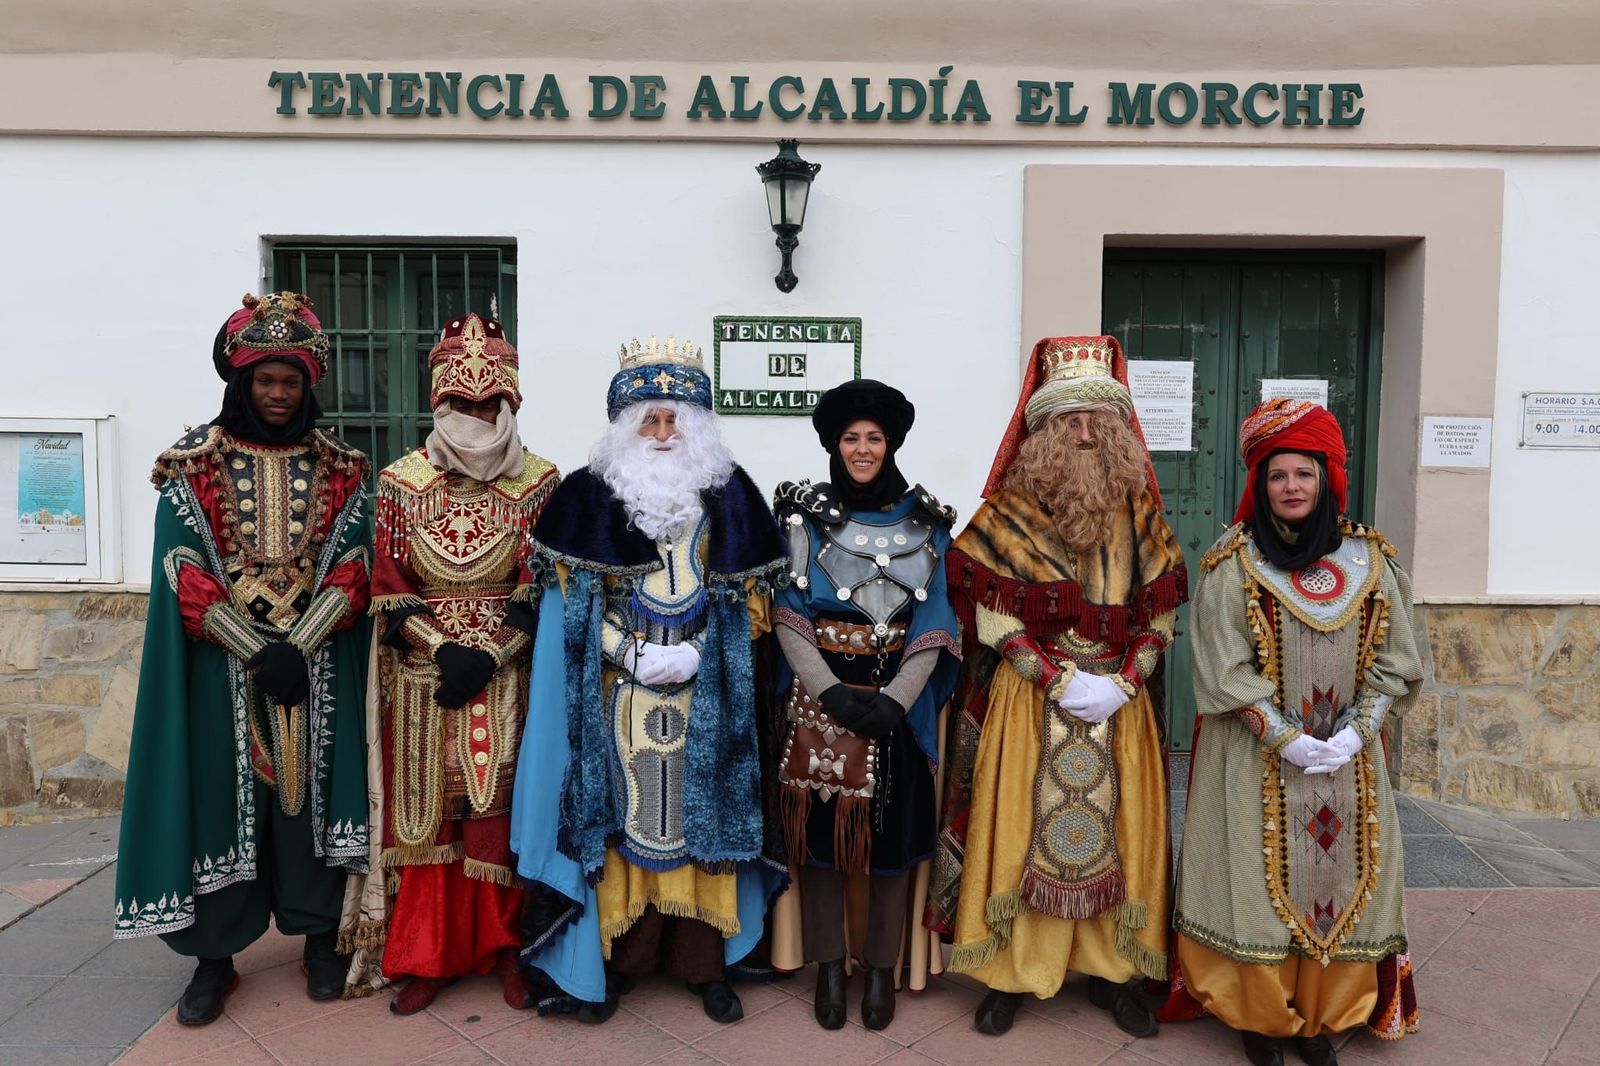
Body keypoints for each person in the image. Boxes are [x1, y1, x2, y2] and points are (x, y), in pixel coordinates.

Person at [510, 335, 789, 1025]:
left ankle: (705, 966)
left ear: (698, 427)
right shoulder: (585, 497)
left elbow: (753, 605)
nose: (663, 434)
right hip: (617, 695)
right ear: (624, 427)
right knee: (621, 821)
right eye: (648, 420)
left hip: (706, 696)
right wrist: (626, 653)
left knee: (702, 824)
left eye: (675, 419)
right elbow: (572, 607)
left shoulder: (732, 498)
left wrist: (700, 654)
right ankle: (621, 962)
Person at [114, 292, 372, 1025]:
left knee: (313, 800)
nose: (279, 394)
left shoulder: (343, 466)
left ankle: (320, 940)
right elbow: (183, 570)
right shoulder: (194, 463)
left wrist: (302, 642)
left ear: (308, 384)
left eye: (291, 381)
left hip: (318, 665)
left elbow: (354, 563)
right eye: (265, 380)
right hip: (220, 671)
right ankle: (214, 958)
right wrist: (258, 650)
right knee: (220, 802)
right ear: (241, 380)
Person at [927, 335, 1187, 1039]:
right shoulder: (1007, 513)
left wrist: (1126, 681)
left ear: (1118, 427)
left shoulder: (1140, 510)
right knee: (1017, 829)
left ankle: (1114, 973)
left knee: (1125, 834)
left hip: (1121, 705)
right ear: (1041, 430)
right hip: (1030, 701)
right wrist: (1051, 677)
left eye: (1097, 419)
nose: (1084, 433)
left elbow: (1161, 610)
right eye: (1069, 419)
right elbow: (990, 611)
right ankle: (1013, 972)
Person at [1162, 398, 1421, 1066]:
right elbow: (1222, 667)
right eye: (1277, 475)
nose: (1292, 487)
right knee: (1253, 881)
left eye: (1304, 473)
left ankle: (1321, 1015)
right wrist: (1286, 738)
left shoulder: (1371, 561)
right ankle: (1259, 1014)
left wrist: (1359, 731)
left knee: (1345, 881)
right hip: (1253, 759)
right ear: (1260, 484)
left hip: (1348, 762)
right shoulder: (1232, 564)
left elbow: (1397, 659)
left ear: (1327, 478)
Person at [336, 314, 560, 1012]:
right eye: (461, 403)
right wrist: (442, 649)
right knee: (426, 821)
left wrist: (490, 654)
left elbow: (539, 589)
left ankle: (507, 950)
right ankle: (428, 956)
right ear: (438, 401)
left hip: (507, 674)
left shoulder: (541, 483)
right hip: (422, 678)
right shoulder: (401, 483)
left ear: (510, 402)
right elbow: (388, 586)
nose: (475, 416)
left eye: (488, 404)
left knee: (499, 817)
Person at [769, 379, 961, 1031]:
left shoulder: (928, 524)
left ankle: (880, 967)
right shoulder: (801, 521)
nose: (861, 449)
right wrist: (828, 691)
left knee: (893, 842)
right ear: (834, 444)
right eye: (850, 438)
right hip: (819, 704)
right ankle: (829, 966)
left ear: (890, 444)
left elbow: (936, 622)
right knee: (820, 844)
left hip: (896, 709)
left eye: (873, 438)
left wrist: (897, 701)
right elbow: (788, 614)